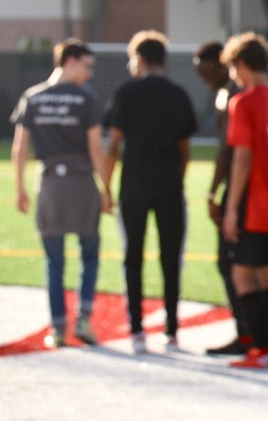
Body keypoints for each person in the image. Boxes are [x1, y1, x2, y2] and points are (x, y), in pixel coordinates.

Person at [10, 38, 110, 348]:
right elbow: (96, 149)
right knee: (89, 253)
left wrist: (20, 188)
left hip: (50, 184)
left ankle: (57, 328)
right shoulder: (86, 99)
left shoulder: (33, 97)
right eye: (87, 66)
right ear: (70, 61)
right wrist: (107, 189)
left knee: (54, 261)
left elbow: (20, 148)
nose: (89, 74)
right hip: (81, 184)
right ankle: (84, 319)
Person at [102, 30, 197, 353]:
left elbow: (113, 145)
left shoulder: (127, 92)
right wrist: (177, 179)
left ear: (139, 59)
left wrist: (105, 187)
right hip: (169, 185)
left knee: (133, 257)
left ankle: (137, 329)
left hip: (135, 185)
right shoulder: (178, 94)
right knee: (171, 259)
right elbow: (185, 149)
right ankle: (171, 330)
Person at [220, 32, 268, 369]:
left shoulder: (244, 102)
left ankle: (261, 348)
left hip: (256, 204)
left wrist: (231, 209)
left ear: (241, 64)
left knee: (241, 275)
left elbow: (242, 158)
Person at [193, 41, 252, 356]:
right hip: (247, 188)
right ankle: (251, 332)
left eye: (204, 70)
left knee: (233, 262)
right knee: (240, 264)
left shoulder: (231, 95)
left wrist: (214, 192)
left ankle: (247, 333)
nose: (202, 78)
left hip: (240, 190)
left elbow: (228, 151)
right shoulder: (233, 93)